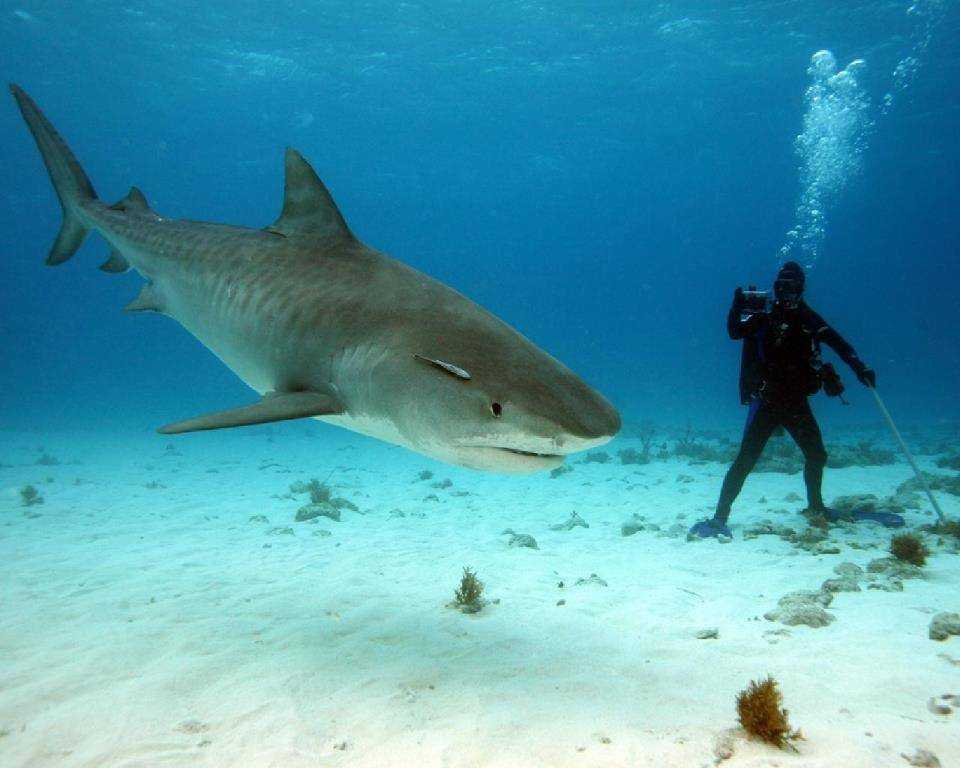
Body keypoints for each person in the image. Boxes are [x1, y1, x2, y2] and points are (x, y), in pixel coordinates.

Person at [689, 261, 895, 539]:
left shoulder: (809, 319)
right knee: (746, 459)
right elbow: (735, 332)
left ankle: (816, 507)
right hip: (768, 400)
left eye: (792, 288)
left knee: (817, 454)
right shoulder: (765, 317)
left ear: (801, 289)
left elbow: (840, 345)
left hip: (796, 402)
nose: (786, 293)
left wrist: (861, 368)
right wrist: (737, 306)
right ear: (774, 288)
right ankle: (719, 518)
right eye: (781, 287)